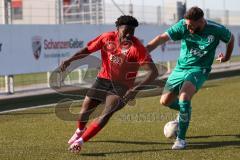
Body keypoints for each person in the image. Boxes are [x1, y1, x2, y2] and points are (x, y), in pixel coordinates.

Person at [60, 15, 158, 153]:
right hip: (102, 80)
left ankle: (80, 142)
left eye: (132, 31)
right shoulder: (107, 38)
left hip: (122, 87)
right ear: (117, 29)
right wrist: (70, 60)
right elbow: (87, 50)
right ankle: (80, 131)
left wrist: (135, 90)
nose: (129, 34)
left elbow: (153, 72)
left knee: (106, 114)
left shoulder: (137, 48)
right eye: (126, 31)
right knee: (84, 112)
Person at [146, 6, 234, 149]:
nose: (188, 28)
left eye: (191, 25)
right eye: (187, 25)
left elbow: (230, 39)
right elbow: (162, 38)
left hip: (200, 69)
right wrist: (145, 51)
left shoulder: (216, 29)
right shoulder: (183, 25)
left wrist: (226, 57)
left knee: (184, 97)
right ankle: (184, 111)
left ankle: (181, 139)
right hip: (180, 68)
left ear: (201, 21)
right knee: (165, 101)